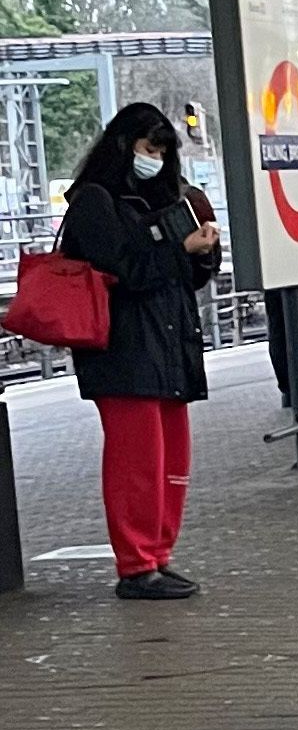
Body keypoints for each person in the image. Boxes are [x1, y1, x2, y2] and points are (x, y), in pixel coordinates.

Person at [66, 103, 221, 599]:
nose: (155, 159)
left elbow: (180, 275)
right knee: (137, 463)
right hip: (123, 349)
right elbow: (123, 270)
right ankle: (135, 564)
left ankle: (157, 556)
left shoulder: (167, 197)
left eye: (162, 150)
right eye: (148, 148)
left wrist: (202, 254)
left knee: (170, 462)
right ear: (123, 145)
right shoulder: (95, 202)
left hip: (168, 345)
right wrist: (178, 249)